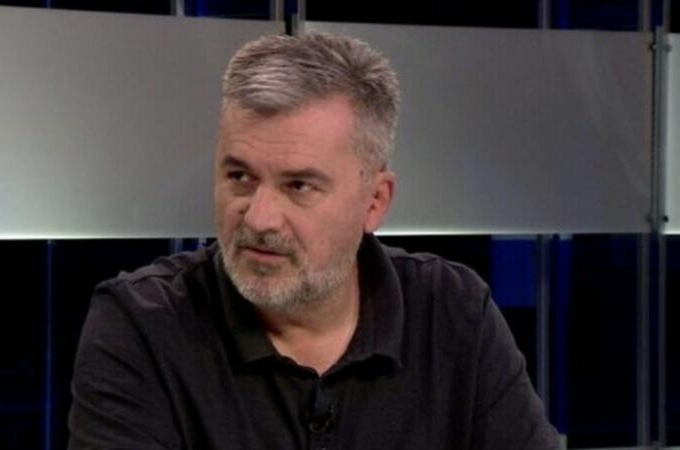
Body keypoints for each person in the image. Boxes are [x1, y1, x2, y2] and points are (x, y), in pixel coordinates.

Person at [68, 32, 560, 449]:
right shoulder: (143, 326)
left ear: (375, 202)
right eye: (240, 177)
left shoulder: (452, 313)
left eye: (298, 186)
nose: (259, 218)